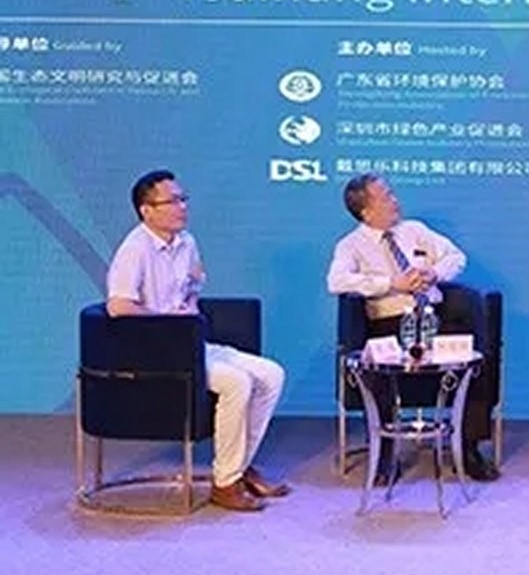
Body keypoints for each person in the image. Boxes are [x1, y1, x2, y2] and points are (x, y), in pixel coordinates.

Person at [106, 170, 289, 512]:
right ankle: (226, 484)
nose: (182, 207)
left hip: (190, 343)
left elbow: (190, 289)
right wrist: (167, 323)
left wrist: (191, 296)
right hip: (156, 350)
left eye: (183, 199)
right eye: (172, 201)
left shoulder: (186, 242)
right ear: (147, 211)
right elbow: (118, 306)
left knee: (271, 374)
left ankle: (237, 467)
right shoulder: (134, 249)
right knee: (237, 382)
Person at [326, 173, 499, 482]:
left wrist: (434, 273)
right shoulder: (350, 245)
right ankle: (384, 455)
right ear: (366, 211)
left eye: (392, 193)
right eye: (386, 197)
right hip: (390, 324)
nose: (395, 201)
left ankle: (469, 447)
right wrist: (392, 283)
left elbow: (455, 257)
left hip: (434, 317)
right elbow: (336, 281)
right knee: (374, 361)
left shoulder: (414, 230)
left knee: (477, 354)